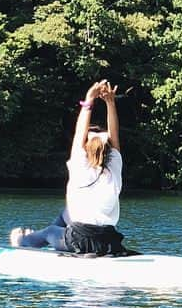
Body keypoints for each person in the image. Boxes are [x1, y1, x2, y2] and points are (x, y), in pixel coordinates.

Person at [9, 80, 129, 257]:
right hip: (110, 242)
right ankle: (50, 234)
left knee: (50, 232)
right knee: (67, 214)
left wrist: (88, 100)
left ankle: (23, 242)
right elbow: (114, 135)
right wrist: (110, 103)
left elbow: (80, 132)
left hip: (79, 240)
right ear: (109, 150)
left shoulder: (80, 165)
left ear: (85, 148)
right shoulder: (114, 167)